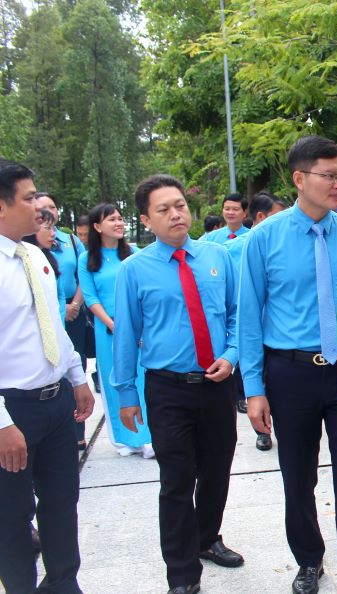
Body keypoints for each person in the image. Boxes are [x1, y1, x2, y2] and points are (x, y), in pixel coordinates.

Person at [238, 135, 337, 594]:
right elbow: (249, 316)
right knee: (298, 476)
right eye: (329, 175)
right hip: (289, 373)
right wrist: (254, 388)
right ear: (299, 178)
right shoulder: (263, 239)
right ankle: (309, 560)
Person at [113, 174, 243, 594]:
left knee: (217, 473)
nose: (176, 214)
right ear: (146, 220)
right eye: (164, 209)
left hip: (217, 383)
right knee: (176, 481)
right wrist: (126, 394)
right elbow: (127, 334)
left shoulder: (217, 256)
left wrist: (232, 355)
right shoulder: (134, 270)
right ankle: (182, 575)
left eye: (180, 205)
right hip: (167, 389)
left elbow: (238, 315)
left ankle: (207, 539)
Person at [0, 159, 95, 594]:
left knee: (61, 505)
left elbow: (51, 323)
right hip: (12, 410)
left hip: (56, 403)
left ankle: (62, 584)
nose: (39, 207)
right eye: (27, 197)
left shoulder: (35, 254)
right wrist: (2, 423)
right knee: (12, 515)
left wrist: (76, 376)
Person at [78, 203, 154, 458]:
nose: (119, 223)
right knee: (115, 380)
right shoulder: (87, 258)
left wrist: (136, 327)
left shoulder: (134, 253)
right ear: (98, 227)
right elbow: (90, 298)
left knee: (142, 379)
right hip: (107, 329)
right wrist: (115, 326)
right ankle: (125, 438)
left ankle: (148, 437)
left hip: (138, 327)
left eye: (120, 218)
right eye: (112, 219)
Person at [225, 191, 286, 452]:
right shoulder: (231, 249)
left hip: (275, 330)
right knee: (254, 381)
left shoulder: (283, 244)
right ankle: (261, 432)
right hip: (248, 327)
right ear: (261, 217)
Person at [36, 192, 89, 450]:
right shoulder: (31, 254)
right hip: (55, 314)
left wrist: (75, 305)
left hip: (73, 309)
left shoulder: (69, 240)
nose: (50, 211)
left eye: (52, 207)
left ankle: (76, 430)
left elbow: (82, 273)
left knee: (74, 362)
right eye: (42, 208)